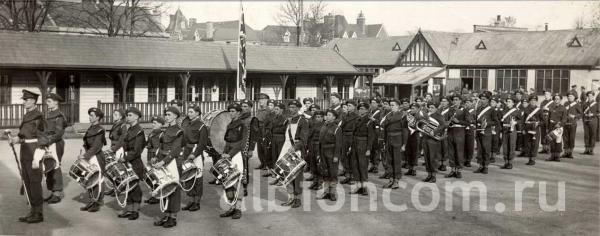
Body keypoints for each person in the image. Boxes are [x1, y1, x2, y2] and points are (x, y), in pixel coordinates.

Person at [10, 90, 46, 223]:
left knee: (35, 182)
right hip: (24, 153)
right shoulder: (27, 115)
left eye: (26, 100)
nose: (24, 102)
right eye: (24, 99)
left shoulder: (39, 117)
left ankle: (38, 213)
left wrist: (38, 156)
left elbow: (43, 138)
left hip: (33, 153)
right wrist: (15, 138)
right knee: (27, 182)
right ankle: (32, 210)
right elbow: (23, 134)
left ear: (33, 101)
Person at [152, 106, 183, 228]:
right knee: (164, 187)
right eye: (165, 114)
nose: (166, 116)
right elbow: (161, 146)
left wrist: (163, 161)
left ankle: (173, 217)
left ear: (175, 116)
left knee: (174, 189)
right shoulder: (165, 130)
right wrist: (156, 157)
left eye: (169, 114)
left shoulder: (179, 131)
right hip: (163, 161)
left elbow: (175, 150)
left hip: (173, 162)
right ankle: (166, 215)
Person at [219, 103, 247, 219]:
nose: (231, 113)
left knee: (237, 181)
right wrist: (224, 154)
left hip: (237, 155)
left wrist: (229, 155)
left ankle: (238, 209)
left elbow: (242, 143)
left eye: (234, 111)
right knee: (227, 181)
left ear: (239, 113)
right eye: (230, 111)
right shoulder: (230, 124)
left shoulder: (242, 125)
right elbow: (227, 142)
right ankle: (231, 207)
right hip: (228, 155)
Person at [117, 107, 146, 220]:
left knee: (134, 187)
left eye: (130, 115)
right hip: (127, 160)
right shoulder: (130, 129)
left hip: (135, 162)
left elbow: (137, 150)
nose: (127, 117)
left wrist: (125, 158)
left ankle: (135, 210)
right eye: (127, 115)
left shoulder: (139, 131)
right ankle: (129, 210)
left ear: (137, 117)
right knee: (127, 186)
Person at [279, 100, 309, 208]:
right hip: (285, 149)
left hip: (296, 150)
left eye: (294, 107)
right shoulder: (288, 120)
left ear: (298, 108)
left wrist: (295, 148)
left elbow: (303, 138)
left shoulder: (303, 121)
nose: (292, 109)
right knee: (286, 174)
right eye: (290, 107)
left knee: (297, 175)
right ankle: (290, 197)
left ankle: (298, 198)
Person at [78, 108, 107, 213]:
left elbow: (96, 147)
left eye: (92, 115)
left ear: (98, 117)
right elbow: (87, 143)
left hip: (96, 157)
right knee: (90, 179)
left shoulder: (100, 129)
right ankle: (92, 201)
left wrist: (85, 156)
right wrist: (83, 154)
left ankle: (97, 202)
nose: (90, 117)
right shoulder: (91, 128)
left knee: (98, 179)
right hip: (90, 156)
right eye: (89, 115)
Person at [180, 105, 208, 212]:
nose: (189, 114)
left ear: (197, 113)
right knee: (188, 176)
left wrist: (195, 154)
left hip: (196, 152)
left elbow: (202, 144)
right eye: (188, 112)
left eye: (191, 112)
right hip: (187, 151)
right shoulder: (187, 124)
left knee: (197, 178)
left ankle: (197, 202)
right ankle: (191, 200)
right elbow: (184, 139)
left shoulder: (202, 126)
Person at [43, 93, 68, 204]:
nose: (47, 103)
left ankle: (57, 193)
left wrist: (47, 140)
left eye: (49, 101)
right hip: (48, 143)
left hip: (55, 143)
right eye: (47, 101)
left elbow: (58, 133)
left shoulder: (59, 116)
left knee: (56, 166)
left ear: (56, 102)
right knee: (48, 166)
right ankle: (53, 191)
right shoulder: (50, 114)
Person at [317, 109, 342, 201]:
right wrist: (319, 154)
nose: (327, 117)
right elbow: (320, 142)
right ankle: (326, 192)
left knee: (333, 173)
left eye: (330, 115)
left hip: (331, 152)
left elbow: (338, 144)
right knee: (325, 172)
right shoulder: (323, 127)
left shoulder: (337, 128)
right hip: (323, 152)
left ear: (334, 117)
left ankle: (332, 193)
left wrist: (336, 156)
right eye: (327, 115)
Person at [381, 99, 407, 188]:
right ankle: (391, 179)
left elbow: (405, 130)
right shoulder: (388, 115)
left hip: (398, 139)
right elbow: (385, 129)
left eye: (393, 105)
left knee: (397, 161)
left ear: (398, 106)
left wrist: (404, 144)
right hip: (389, 139)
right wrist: (384, 141)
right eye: (390, 105)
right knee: (389, 161)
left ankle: (396, 180)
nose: (391, 107)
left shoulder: (402, 116)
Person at [350, 102, 375, 195]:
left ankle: (364, 187)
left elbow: (371, 136)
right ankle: (358, 186)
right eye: (360, 109)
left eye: (363, 109)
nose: (361, 110)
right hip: (355, 143)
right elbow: (353, 133)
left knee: (363, 166)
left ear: (367, 110)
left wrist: (368, 149)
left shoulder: (369, 121)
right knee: (355, 165)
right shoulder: (356, 120)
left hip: (363, 144)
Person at [446, 95, 471, 178]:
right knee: (451, 152)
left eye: (456, 100)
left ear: (460, 101)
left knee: (459, 152)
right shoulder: (450, 109)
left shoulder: (464, 110)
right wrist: (449, 122)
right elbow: (447, 119)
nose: (454, 101)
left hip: (459, 132)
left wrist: (458, 121)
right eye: (453, 100)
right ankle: (452, 169)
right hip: (450, 132)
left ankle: (459, 170)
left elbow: (468, 122)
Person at [421, 102, 446, 183]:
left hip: (433, 139)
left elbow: (443, 125)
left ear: (436, 108)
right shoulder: (426, 115)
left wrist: (434, 132)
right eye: (429, 107)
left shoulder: (439, 115)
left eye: (432, 107)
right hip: (425, 137)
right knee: (426, 157)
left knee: (433, 157)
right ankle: (429, 174)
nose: (430, 109)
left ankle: (434, 175)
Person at [105, 109, 128, 196]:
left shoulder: (123, 125)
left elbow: (122, 140)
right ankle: (114, 187)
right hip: (114, 147)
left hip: (119, 149)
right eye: (113, 114)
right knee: (112, 169)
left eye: (116, 114)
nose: (113, 115)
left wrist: (114, 149)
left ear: (120, 117)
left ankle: (120, 188)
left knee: (119, 169)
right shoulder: (116, 124)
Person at [475, 91, 497, 174]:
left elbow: (495, 121)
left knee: (486, 149)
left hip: (487, 132)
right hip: (479, 131)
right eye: (481, 99)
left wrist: (487, 124)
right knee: (479, 150)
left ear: (488, 100)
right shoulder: (479, 109)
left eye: (484, 99)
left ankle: (486, 166)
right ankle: (480, 165)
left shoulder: (491, 110)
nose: (482, 100)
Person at [144, 116, 164, 204]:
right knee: (151, 177)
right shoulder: (152, 133)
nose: (153, 124)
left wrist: (156, 157)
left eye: (155, 123)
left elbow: (159, 147)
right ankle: (154, 195)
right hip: (150, 155)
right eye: (153, 123)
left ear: (161, 124)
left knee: (157, 176)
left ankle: (158, 196)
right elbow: (148, 143)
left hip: (155, 157)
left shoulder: (161, 134)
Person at [268, 102, 287, 186]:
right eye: (275, 109)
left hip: (281, 139)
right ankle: (277, 177)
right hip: (274, 138)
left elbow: (284, 130)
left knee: (281, 159)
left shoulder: (285, 119)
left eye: (277, 109)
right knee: (274, 158)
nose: (275, 111)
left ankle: (282, 178)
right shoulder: (274, 118)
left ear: (282, 110)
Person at [499, 97, 521, 169]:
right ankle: (505, 162)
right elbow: (500, 121)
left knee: (511, 146)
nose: (508, 103)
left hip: (512, 130)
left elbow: (521, 121)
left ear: (513, 103)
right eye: (507, 101)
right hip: (504, 130)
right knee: (505, 146)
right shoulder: (503, 111)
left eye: (509, 101)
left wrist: (516, 122)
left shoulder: (517, 111)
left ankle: (510, 162)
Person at [546, 94, 567, 162]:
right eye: (555, 99)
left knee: (558, 141)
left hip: (559, 127)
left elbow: (564, 119)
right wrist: (547, 127)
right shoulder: (551, 107)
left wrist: (560, 124)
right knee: (551, 141)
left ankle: (557, 156)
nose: (556, 100)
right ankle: (552, 156)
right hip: (551, 126)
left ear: (560, 100)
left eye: (558, 99)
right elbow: (548, 118)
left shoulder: (563, 108)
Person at [307, 110, 325, 190]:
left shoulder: (324, 125)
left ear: (322, 117)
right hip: (312, 145)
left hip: (319, 146)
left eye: (319, 117)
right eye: (316, 117)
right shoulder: (313, 125)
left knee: (319, 165)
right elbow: (309, 135)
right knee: (313, 164)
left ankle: (320, 182)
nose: (317, 119)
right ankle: (315, 182)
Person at [255, 93, 272, 173]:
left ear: (266, 101)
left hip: (265, 130)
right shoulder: (259, 110)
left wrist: (266, 132)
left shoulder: (268, 110)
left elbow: (269, 122)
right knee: (259, 147)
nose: (260, 101)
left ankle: (266, 164)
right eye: (259, 99)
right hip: (258, 130)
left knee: (265, 147)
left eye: (262, 99)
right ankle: (262, 163)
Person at [562, 92, 582, 158]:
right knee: (565, 138)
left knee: (571, 138)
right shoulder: (565, 104)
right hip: (565, 124)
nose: (569, 97)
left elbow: (581, 114)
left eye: (571, 96)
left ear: (574, 97)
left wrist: (574, 116)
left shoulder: (577, 104)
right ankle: (566, 152)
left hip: (572, 124)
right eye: (568, 96)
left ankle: (570, 153)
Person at [404, 102, 421, 177]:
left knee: (414, 152)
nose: (411, 110)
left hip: (415, 135)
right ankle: (410, 168)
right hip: (408, 135)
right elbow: (404, 125)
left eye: (413, 108)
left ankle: (414, 169)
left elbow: (421, 126)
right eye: (411, 108)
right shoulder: (408, 115)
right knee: (408, 151)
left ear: (417, 109)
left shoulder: (419, 116)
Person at [438, 97, 451, 171]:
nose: (443, 103)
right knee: (439, 147)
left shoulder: (450, 110)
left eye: (445, 101)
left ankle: (444, 164)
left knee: (445, 147)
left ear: (448, 102)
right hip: (439, 130)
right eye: (442, 101)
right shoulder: (439, 110)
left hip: (446, 130)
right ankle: (440, 163)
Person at [463, 97, 477, 167]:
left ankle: (468, 160)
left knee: (470, 145)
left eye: (468, 102)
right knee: (464, 144)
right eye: (466, 102)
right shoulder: (464, 110)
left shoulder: (474, 111)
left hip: (471, 129)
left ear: (472, 103)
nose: (466, 104)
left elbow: (477, 121)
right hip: (464, 128)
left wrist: (471, 121)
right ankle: (464, 158)